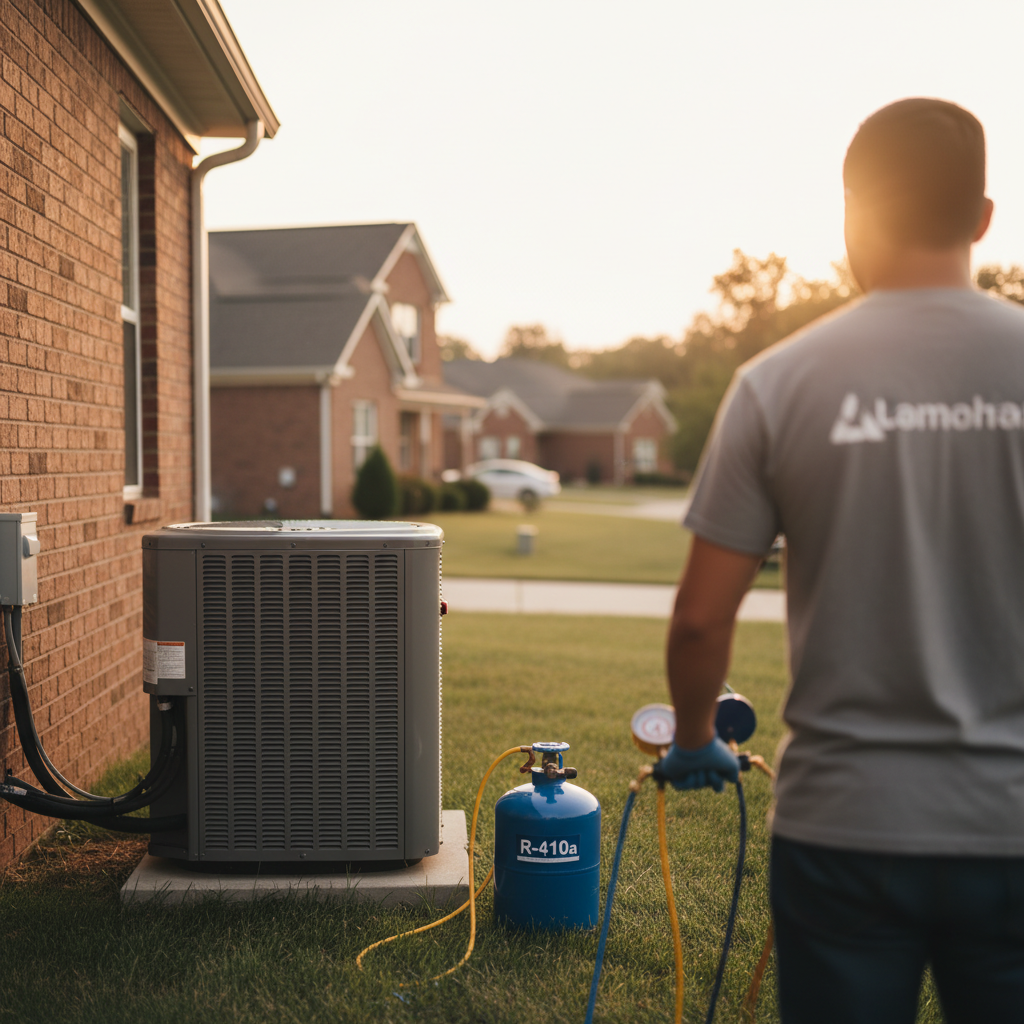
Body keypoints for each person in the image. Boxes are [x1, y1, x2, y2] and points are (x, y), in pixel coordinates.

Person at [654, 98, 1024, 1023]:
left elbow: (702, 617)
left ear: (854, 215)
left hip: (844, 831)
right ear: (983, 218)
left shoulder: (777, 383)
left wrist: (695, 737)